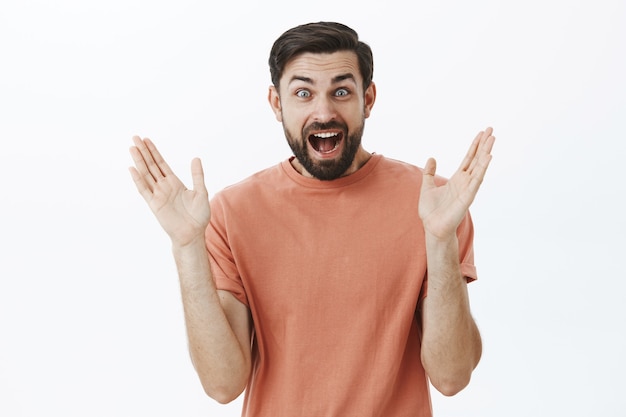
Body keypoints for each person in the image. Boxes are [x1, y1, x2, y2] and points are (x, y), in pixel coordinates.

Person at [129, 21, 495, 417]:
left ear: (368, 99)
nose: (324, 112)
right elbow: (222, 385)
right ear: (276, 104)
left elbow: (452, 377)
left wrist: (440, 240)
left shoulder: (433, 205)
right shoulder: (232, 213)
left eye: (341, 91)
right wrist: (187, 247)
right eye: (303, 93)